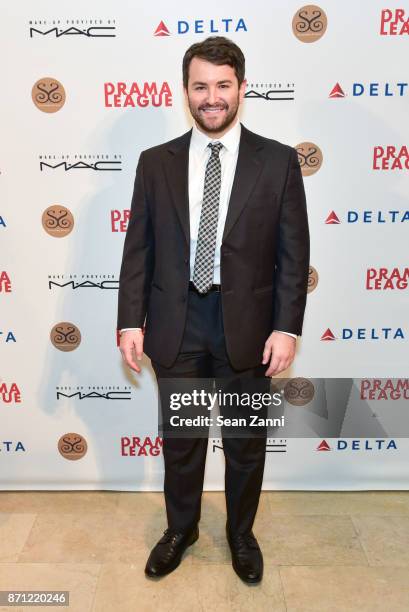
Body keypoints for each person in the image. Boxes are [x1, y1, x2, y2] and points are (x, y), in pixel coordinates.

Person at [117, 36, 310, 583]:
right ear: (186, 92)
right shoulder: (155, 163)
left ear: (242, 89)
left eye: (223, 85)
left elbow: (294, 255)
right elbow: (139, 248)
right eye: (200, 86)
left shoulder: (278, 162)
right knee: (183, 441)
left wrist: (286, 328)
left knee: (246, 444)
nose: (212, 97)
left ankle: (241, 533)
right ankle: (182, 528)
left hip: (247, 328)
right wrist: (131, 321)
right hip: (176, 326)